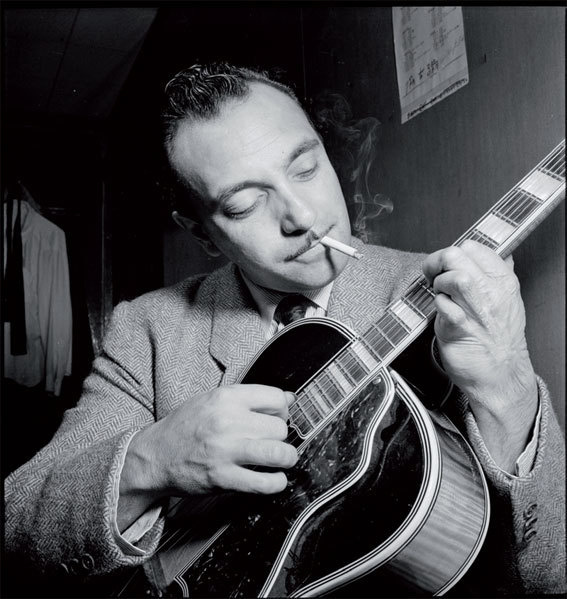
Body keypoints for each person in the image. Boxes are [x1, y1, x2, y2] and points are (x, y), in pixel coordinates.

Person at [5, 62, 565, 597]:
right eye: (246, 204)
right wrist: (152, 460)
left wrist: (507, 385)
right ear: (201, 234)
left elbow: (547, 576)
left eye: (306, 166)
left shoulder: (456, 303)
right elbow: (19, 523)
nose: (301, 216)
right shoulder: (148, 330)